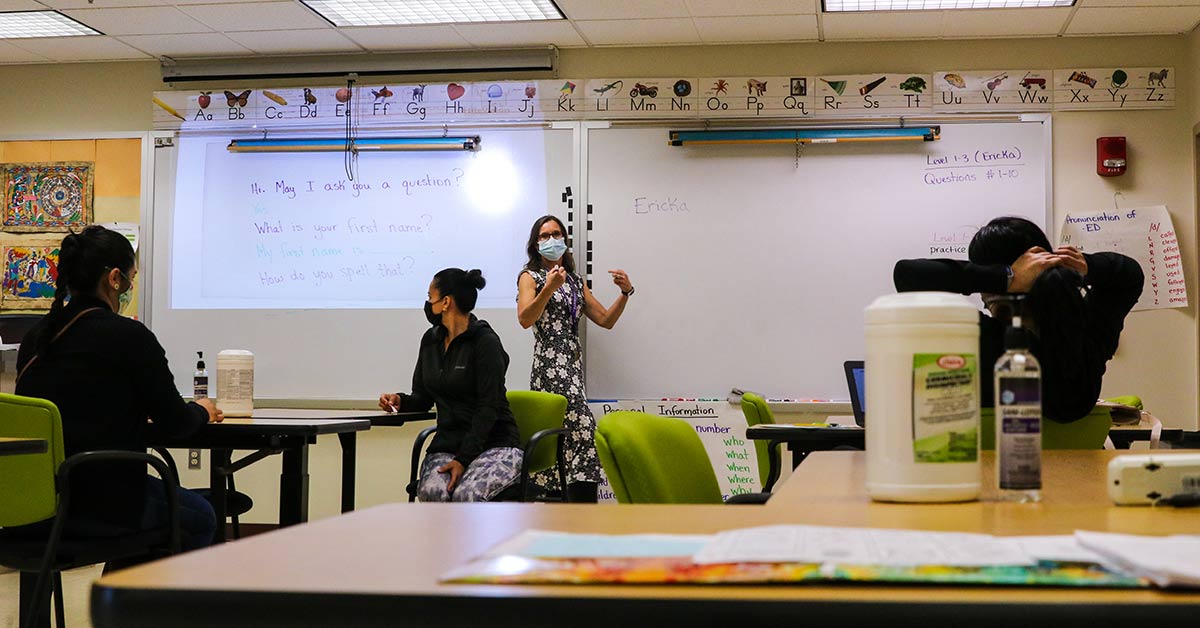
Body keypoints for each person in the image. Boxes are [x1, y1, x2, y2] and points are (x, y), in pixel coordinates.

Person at [14, 226, 223, 551]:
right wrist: (202, 410)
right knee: (203, 517)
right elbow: (176, 423)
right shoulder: (129, 336)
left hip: (33, 506)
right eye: (131, 278)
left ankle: (121, 594)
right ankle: (137, 597)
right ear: (114, 279)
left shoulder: (37, 338)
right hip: (103, 504)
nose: (129, 286)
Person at [893, 216, 1143, 422]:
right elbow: (1130, 274)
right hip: (1082, 477)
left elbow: (908, 276)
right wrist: (1083, 263)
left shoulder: (983, 338)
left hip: (995, 476)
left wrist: (1005, 277)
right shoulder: (1088, 330)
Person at [516, 215, 634, 503]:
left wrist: (626, 292)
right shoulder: (530, 277)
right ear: (535, 243)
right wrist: (548, 288)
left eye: (557, 234)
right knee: (573, 428)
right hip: (548, 365)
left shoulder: (575, 281)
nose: (552, 240)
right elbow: (525, 318)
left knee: (576, 434)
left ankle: (576, 502)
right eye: (545, 236)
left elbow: (605, 319)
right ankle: (554, 498)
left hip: (572, 363)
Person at [379, 268, 523, 502]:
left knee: (467, 495)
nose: (427, 304)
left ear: (445, 302)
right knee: (432, 492)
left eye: (430, 298)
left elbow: (489, 407)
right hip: (447, 445)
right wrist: (399, 400)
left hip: (494, 445)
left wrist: (463, 460)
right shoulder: (430, 340)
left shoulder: (485, 342)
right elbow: (422, 398)